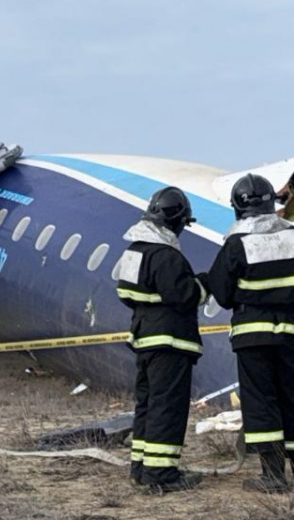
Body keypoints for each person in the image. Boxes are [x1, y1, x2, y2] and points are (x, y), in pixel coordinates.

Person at [206, 174, 294, 494]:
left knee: (261, 401)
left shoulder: (236, 243)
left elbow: (222, 293)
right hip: (290, 333)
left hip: (253, 336)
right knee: (293, 397)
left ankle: (273, 475)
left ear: (238, 208)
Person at [117, 187, 207, 494]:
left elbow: (125, 294)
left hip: (143, 339)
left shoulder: (134, 251)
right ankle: (161, 474)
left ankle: (141, 468)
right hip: (170, 343)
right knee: (167, 406)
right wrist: (204, 284)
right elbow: (185, 296)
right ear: (178, 221)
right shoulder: (167, 256)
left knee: (148, 404)